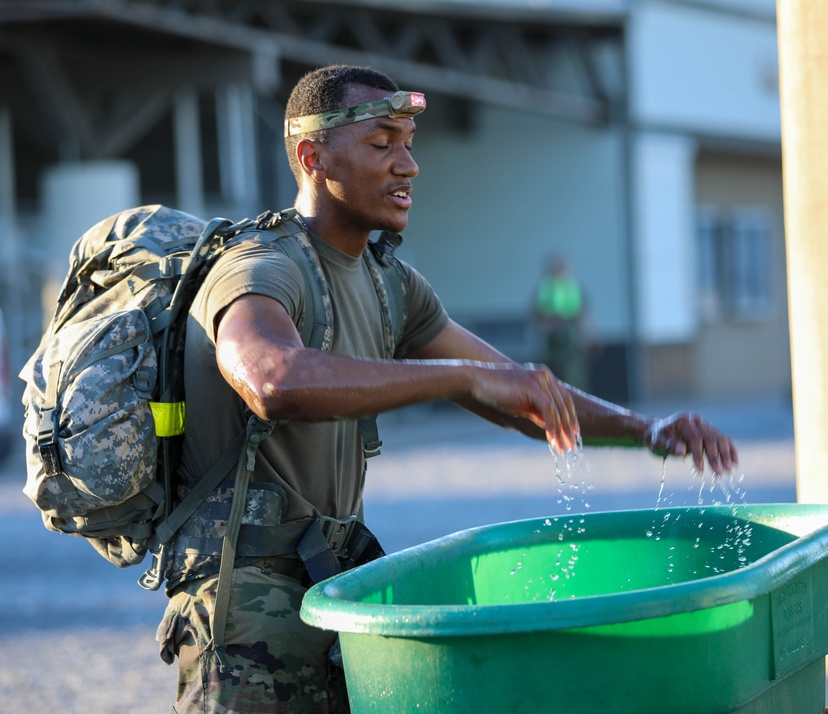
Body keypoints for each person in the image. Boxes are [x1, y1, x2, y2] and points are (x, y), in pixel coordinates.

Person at [156, 64, 738, 713]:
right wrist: (459, 378)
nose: (408, 165)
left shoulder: (390, 283)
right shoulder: (261, 266)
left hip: (338, 598)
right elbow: (270, 378)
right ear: (312, 156)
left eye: (409, 143)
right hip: (243, 623)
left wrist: (647, 431)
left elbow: (518, 393)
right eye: (382, 144)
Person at [533, 253, 590, 390]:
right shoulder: (545, 290)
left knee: (573, 379)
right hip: (551, 343)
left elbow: (581, 315)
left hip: (570, 342)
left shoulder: (573, 289)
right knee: (550, 379)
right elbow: (537, 317)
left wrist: (586, 338)